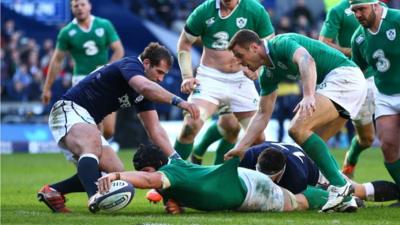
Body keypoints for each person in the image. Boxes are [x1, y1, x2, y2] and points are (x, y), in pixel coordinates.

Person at [37, 42, 200, 213]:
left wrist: (176, 158)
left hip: (85, 118)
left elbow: (155, 129)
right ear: (146, 64)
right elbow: (144, 86)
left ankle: (53, 191)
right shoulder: (130, 65)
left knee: (116, 171)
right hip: (68, 108)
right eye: (159, 72)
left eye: (164, 75)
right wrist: (180, 102)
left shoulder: (144, 93)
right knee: (92, 144)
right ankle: (95, 197)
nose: (161, 79)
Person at [225, 29, 368, 212]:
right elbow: (262, 114)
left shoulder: (281, 43)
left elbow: (306, 60)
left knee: (297, 128)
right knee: (312, 152)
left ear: (254, 47)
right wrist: (242, 147)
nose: (238, 61)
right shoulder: (268, 74)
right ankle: (346, 198)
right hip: (342, 84)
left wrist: (308, 96)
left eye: (239, 55)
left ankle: (340, 187)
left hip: (344, 77)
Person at [95, 144, 358, 214]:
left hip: (251, 189)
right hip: (242, 186)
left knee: (299, 202)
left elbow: (150, 181)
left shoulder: (172, 171)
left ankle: (347, 198)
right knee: (295, 200)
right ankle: (346, 194)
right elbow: (163, 189)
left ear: (156, 167)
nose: (143, 176)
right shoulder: (170, 182)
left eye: (145, 171)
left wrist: (116, 175)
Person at [174, 0, 275, 162]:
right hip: (210, 78)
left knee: (254, 138)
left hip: (241, 80)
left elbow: (270, 46)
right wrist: (187, 76)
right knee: (190, 126)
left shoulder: (256, 11)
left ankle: (218, 175)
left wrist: (258, 69)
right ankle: (169, 176)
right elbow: (184, 43)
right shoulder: (204, 11)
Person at [319, 0, 386, 178]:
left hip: (383, 79)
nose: (358, 13)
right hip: (357, 80)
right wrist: (352, 51)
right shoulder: (338, 11)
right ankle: (349, 164)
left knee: (391, 135)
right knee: (367, 139)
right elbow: (324, 42)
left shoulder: (380, 8)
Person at [41, 0, 124, 142]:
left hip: (105, 79)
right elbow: (56, 61)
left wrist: (107, 70)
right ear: (72, 9)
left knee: (109, 130)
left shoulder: (104, 25)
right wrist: (47, 88)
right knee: (95, 126)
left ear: (89, 6)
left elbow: (119, 51)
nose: (79, 8)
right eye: (76, 6)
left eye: (82, 4)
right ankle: (95, 159)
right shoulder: (67, 32)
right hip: (82, 81)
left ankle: (96, 154)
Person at [240, 141, 400, 203]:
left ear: (281, 171)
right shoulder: (250, 155)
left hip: (314, 168)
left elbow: (301, 200)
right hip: (290, 151)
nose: (263, 179)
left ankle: (397, 191)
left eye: (269, 177)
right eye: (259, 172)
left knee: (357, 191)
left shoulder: (296, 176)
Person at [350, 0, 400, 194]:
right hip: (384, 94)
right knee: (388, 146)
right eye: (354, 11)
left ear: (376, 5)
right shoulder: (358, 39)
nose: (358, 15)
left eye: (361, 9)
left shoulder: (396, 20)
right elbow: (356, 72)